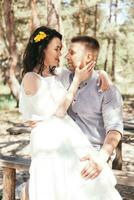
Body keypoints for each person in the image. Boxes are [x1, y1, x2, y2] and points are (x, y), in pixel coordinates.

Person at [19, 26, 122, 200]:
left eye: (70, 52)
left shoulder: (106, 89)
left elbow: (115, 129)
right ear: (43, 49)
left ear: (89, 57)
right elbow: (49, 104)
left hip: (91, 151)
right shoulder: (62, 75)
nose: (64, 55)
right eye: (59, 49)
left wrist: (102, 74)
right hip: (59, 148)